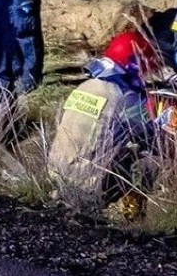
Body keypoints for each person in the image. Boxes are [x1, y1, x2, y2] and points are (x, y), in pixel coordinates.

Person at [49, 31, 158, 210]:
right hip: (88, 185)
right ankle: (127, 212)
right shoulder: (125, 97)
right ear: (134, 65)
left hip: (56, 173)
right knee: (154, 161)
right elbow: (150, 135)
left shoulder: (85, 86)